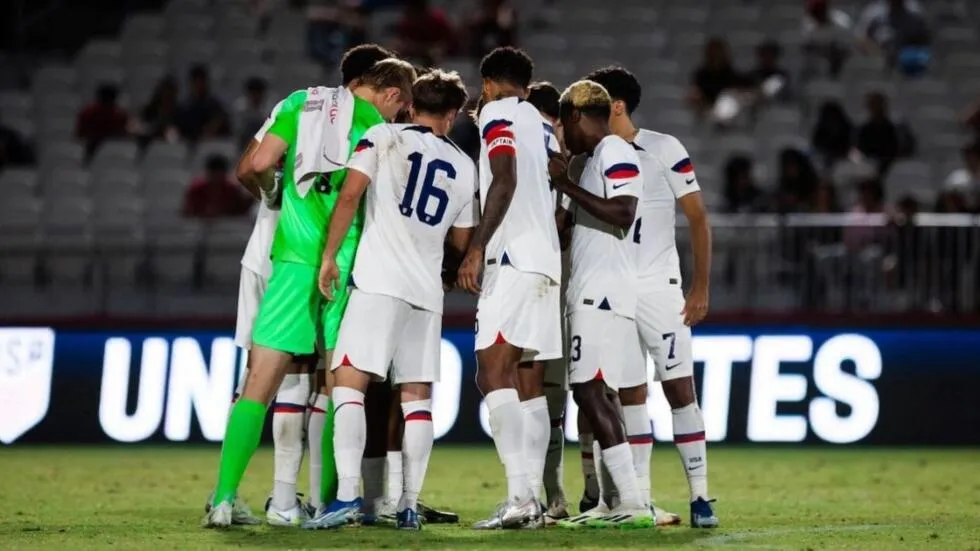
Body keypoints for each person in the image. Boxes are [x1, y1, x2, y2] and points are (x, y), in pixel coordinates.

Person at [203, 57, 415, 529]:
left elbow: (255, 164)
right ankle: (328, 503)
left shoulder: (302, 101)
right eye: (401, 106)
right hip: (345, 265)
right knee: (343, 385)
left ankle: (223, 499)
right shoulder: (383, 131)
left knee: (259, 382)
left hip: (292, 260)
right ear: (393, 95)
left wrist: (274, 191)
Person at [314, 69, 476, 531]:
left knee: (347, 382)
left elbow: (349, 196)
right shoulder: (464, 165)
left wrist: (330, 256)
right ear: (451, 115)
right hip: (425, 290)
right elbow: (461, 239)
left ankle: (347, 495)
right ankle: (408, 502)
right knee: (417, 394)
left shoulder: (381, 137)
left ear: (410, 105)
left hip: (378, 281)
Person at [584, 66, 718, 528]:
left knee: (681, 389)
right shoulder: (592, 155)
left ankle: (701, 498)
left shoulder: (664, 148)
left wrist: (699, 286)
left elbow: (698, 217)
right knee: (629, 394)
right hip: (615, 291)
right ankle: (641, 502)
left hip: (661, 289)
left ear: (615, 105)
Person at [456, 47, 562, 530]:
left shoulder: (497, 112)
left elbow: (503, 178)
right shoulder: (544, 126)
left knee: (491, 370)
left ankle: (520, 496)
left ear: (492, 82)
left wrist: (477, 247)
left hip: (513, 256)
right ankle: (533, 499)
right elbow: (557, 193)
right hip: (544, 259)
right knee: (527, 380)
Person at [549, 79, 652, 529]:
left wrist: (563, 186)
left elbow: (623, 213)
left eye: (561, 125)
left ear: (575, 116)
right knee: (600, 392)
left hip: (603, 291)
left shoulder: (615, 151)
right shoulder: (592, 162)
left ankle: (631, 501)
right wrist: (565, 196)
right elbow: (583, 225)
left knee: (588, 390)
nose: (560, 136)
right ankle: (613, 501)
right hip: (597, 288)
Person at [525, 80, 571, 524]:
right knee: (553, 396)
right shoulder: (562, 158)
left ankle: (539, 493)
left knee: (527, 389)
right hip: (558, 286)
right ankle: (554, 493)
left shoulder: (517, 147)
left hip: (524, 280)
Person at [181, 154, 254, 219]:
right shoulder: (197, 189)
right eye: (214, 174)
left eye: (220, 175)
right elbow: (188, 212)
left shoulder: (231, 189)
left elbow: (238, 211)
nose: (217, 178)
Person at [393, 0, 457, 66]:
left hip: (434, 51)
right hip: (414, 51)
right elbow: (402, 41)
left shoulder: (437, 19)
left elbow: (449, 40)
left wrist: (438, 49)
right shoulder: (407, 21)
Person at [176, 64, 230, 142]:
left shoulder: (214, 106)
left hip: (210, 144)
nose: (199, 86)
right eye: (196, 82)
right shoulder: (184, 108)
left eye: (201, 82)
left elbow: (223, 127)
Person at [76, 83, 129, 159]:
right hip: (100, 151)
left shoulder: (88, 112)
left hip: (105, 152)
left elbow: (79, 133)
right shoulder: (119, 115)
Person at [802, 0, 853, 79]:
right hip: (816, 64)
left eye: (820, 12)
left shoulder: (841, 21)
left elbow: (848, 47)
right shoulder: (809, 24)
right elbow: (806, 47)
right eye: (816, 14)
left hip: (840, 64)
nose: (818, 16)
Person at [233, 77, 274, 150]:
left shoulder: (270, 108)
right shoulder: (239, 107)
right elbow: (236, 129)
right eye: (253, 93)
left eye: (258, 93)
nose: (255, 96)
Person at [811, 100, 854, 168]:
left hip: (845, 159)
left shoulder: (846, 128)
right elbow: (816, 145)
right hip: (824, 158)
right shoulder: (820, 130)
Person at [139, 76, 180, 144]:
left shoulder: (179, 112)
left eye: (169, 95)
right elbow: (143, 129)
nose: (166, 97)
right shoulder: (149, 111)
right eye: (165, 94)